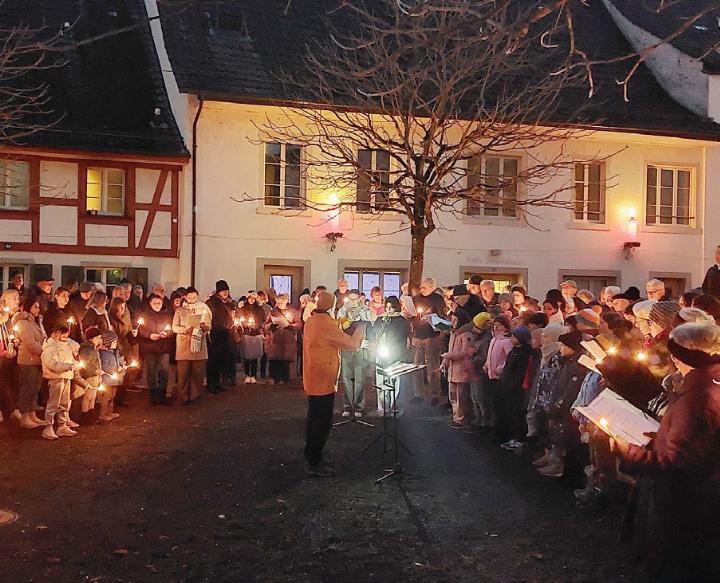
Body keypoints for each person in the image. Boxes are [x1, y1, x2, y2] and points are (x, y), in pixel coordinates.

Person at [615, 323, 720, 582]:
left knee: (676, 565)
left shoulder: (699, 397)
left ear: (679, 357)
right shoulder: (707, 384)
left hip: (683, 504)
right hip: (699, 500)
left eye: (673, 356)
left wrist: (631, 452)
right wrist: (658, 438)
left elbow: (679, 462)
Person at [302, 291, 364, 477]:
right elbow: (352, 344)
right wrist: (361, 328)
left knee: (313, 417)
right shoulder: (327, 324)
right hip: (323, 378)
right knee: (322, 421)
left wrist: (341, 323)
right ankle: (314, 461)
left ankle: (311, 454)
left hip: (313, 375)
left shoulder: (312, 321)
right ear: (331, 306)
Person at [368, 296, 410, 416]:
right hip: (382, 352)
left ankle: (394, 405)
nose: (389, 310)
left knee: (395, 380)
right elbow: (374, 333)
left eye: (391, 307)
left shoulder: (401, 320)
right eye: (387, 307)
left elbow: (403, 335)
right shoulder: (381, 319)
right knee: (381, 379)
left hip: (396, 353)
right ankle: (382, 407)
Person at [410, 277, 448, 406]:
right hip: (417, 335)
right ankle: (418, 393)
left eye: (425, 287)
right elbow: (412, 313)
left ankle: (435, 394)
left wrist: (431, 317)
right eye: (421, 287)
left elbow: (443, 317)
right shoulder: (416, 299)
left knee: (433, 366)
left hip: (431, 335)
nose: (422, 290)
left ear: (432, 287)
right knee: (416, 365)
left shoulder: (437, 299)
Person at [40, 324, 80, 440]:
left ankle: (62, 426)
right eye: (58, 333)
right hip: (56, 378)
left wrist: (73, 366)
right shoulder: (49, 348)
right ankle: (48, 427)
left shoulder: (64, 346)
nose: (61, 335)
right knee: (54, 403)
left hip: (66, 377)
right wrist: (68, 366)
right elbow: (52, 364)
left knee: (64, 403)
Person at [13, 297, 48, 429]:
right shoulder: (23, 323)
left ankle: (32, 414)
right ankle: (25, 416)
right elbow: (29, 342)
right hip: (28, 360)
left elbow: (42, 337)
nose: (38, 310)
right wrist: (43, 352)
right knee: (28, 387)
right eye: (35, 307)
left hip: (37, 360)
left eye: (38, 307)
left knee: (35, 388)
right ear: (28, 307)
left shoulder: (36, 322)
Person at [336, 289, 372, 416]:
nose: (352, 301)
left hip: (360, 347)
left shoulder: (365, 311)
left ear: (359, 299)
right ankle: (347, 406)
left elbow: (368, 326)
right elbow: (340, 326)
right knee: (346, 377)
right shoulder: (342, 311)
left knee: (359, 377)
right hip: (346, 347)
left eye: (355, 299)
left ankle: (358, 406)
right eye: (350, 299)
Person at [172, 287, 211, 403]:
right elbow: (174, 327)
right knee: (183, 374)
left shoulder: (203, 308)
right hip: (184, 346)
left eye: (194, 297)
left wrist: (205, 327)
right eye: (189, 297)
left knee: (198, 374)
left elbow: (209, 325)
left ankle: (195, 396)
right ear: (185, 297)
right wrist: (185, 329)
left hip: (199, 346)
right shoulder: (180, 310)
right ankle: (183, 397)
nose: (192, 300)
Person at [442, 309, 476, 430]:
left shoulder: (466, 335)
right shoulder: (453, 333)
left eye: (455, 320)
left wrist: (448, 356)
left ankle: (461, 418)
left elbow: (465, 352)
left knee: (461, 396)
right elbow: (451, 349)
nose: (453, 322)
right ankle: (456, 415)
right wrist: (445, 362)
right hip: (453, 369)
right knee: (453, 395)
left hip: (462, 369)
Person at [138, 294, 174, 405]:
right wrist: (149, 335)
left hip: (163, 348)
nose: (157, 305)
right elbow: (140, 330)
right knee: (151, 372)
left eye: (159, 303)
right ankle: (153, 395)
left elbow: (171, 329)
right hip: (150, 348)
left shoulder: (167, 315)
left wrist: (166, 333)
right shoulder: (144, 315)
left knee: (164, 371)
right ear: (150, 303)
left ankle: (162, 395)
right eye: (154, 303)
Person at [264, 293, 301, 384]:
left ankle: (284, 378)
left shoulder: (293, 311)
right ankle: (274, 377)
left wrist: (290, 326)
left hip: (287, 339)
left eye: (281, 303)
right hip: (275, 339)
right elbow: (265, 324)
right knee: (275, 359)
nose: (278, 305)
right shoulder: (273, 312)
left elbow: (299, 324)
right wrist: (270, 326)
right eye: (277, 303)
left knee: (285, 360)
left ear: (286, 302)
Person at [206, 280, 235, 394]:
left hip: (225, 334)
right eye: (223, 291)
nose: (225, 293)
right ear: (218, 292)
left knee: (221, 360)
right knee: (213, 360)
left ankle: (218, 383)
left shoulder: (228, 303)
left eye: (227, 290)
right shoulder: (212, 302)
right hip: (214, 334)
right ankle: (211, 384)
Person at [468, 312, 493, 431]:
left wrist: (472, 359)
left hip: (479, 372)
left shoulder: (486, 339)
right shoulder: (476, 337)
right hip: (473, 371)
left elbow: (483, 356)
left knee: (480, 397)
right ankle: (478, 418)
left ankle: (484, 421)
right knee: (474, 396)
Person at [0, 289, 21, 423]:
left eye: (18, 298)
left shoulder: (12, 317)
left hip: (9, 354)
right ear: (4, 300)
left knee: (11, 381)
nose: (17, 301)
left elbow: (12, 334)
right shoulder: (3, 317)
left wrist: (15, 343)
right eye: (14, 298)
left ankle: (12, 408)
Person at [75, 325, 103, 425]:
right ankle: (85, 414)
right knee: (88, 396)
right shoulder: (87, 349)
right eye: (98, 337)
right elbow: (86, 364)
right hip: (90, 376)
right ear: (91, 338)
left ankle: (91, 413)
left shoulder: (94, 348)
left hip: (95, 376)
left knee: (93, 396)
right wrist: (94, 371)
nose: (100, 339)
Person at [238, 291, 266, 383]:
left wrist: (256, 325)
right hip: (247, 334)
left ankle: (253, 375)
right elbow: (240, 319)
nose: (252, 300)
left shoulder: (259, 308)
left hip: (256, 334)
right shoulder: (243, 308)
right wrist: (245, 324)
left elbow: (262, 320)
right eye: (250, 298)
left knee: (254, 356)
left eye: (254, 299)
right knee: (247, 355)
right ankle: (247, 375)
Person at [98, 331, 124, 421]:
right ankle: (103, 413)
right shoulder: (104, 354)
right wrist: (115, 370)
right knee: (107, 396)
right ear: (108, 342)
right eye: (114, 342)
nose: (116, 344)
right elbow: (104, 366)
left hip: (114, 379)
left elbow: (119, 360)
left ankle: (109, 411)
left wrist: (121, 365)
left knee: (112, 395)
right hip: (107, 379)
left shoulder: (115, 352)